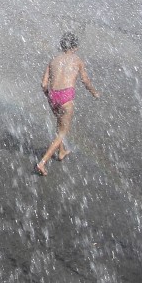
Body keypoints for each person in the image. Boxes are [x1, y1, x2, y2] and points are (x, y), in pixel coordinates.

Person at [36, 32, 100, 176]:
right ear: (75, 47)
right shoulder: (77, 60)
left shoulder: (53, 61)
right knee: (62, 133)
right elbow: (85, 81)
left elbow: (43, 84)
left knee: (59, 124)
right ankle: (42, 163)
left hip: (53, 95)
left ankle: (62, 151)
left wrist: (50, 97)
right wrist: (94, 93)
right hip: (66, 96)